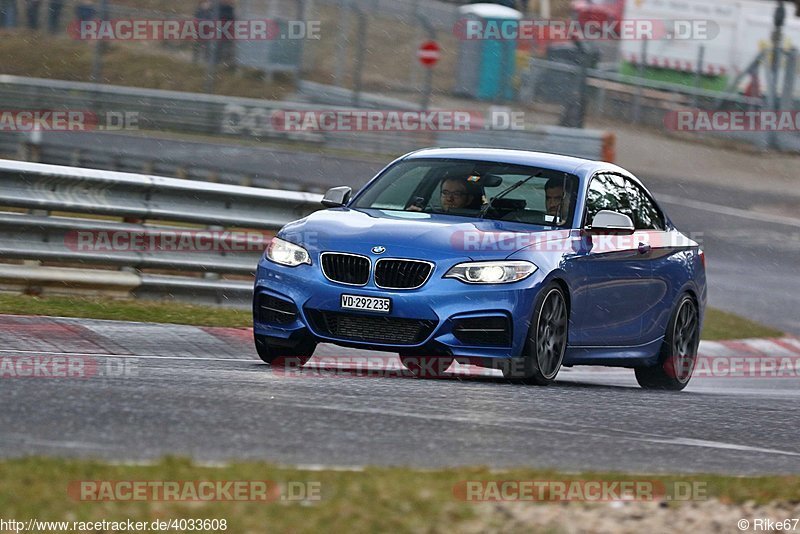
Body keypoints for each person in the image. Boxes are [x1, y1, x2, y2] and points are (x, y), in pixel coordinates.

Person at [407, 176, 483, 213]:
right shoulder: (428, 215)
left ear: (469, 199)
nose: (449, 199)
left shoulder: (480, 221)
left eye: (456, 194)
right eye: (445, 193)